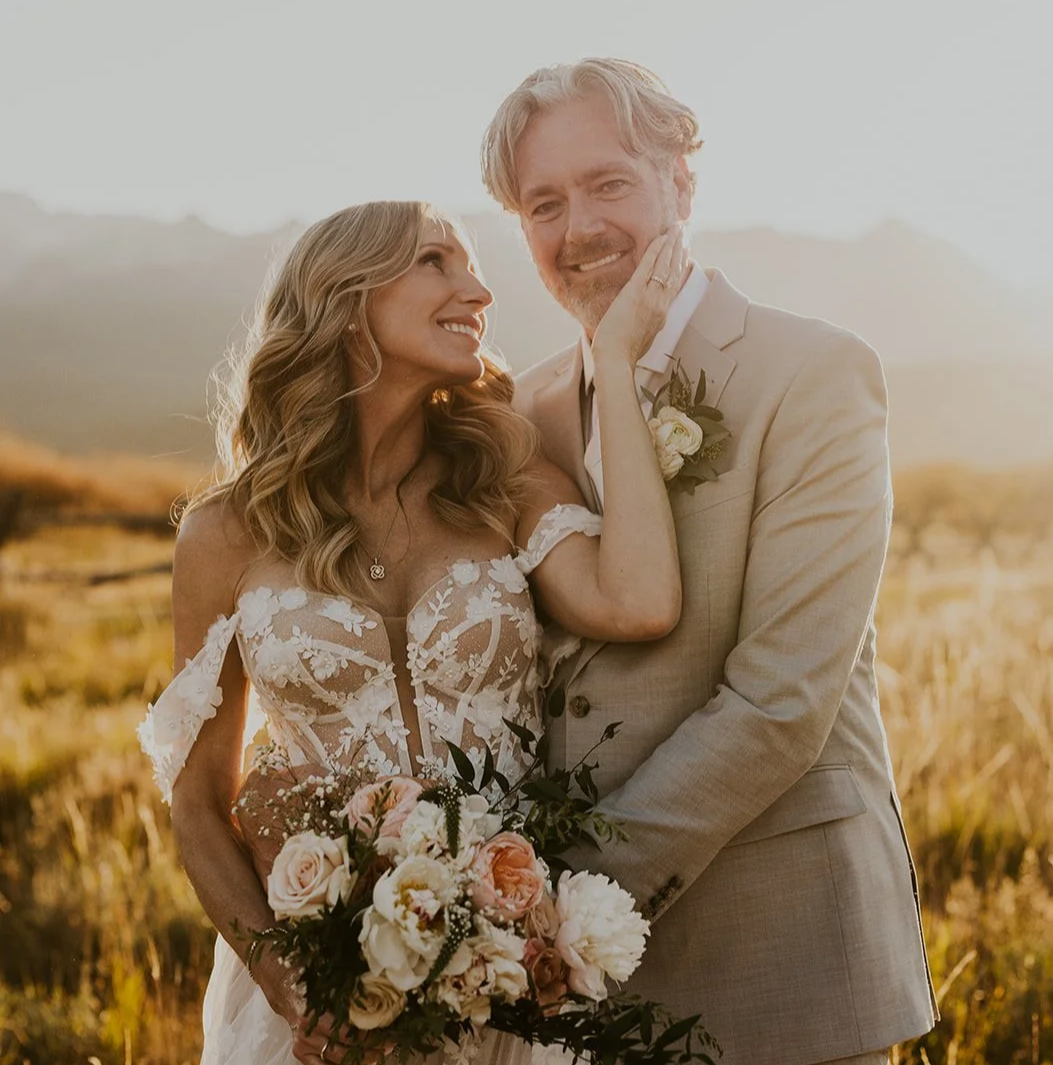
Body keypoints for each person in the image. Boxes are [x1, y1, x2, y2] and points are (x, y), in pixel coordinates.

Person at [138, 200, 690, 1065]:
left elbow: (638, 602)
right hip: (318, 989)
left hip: (506, 974)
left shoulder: (501, 474)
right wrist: (289, 980)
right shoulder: (225, 532)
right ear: (345, 293)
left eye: (471, 266)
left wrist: (612, 363)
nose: (476, 289)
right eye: (436, 260)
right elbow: (201, 798)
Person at [481, 58, 939, 1065]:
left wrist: (567, 894)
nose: (578, 228)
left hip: (780, 959)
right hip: (571, 999)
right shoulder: (529, 410)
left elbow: (782, 702)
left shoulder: (811, 374)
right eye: (544, 203)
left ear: (680, 184)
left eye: (607, 184)